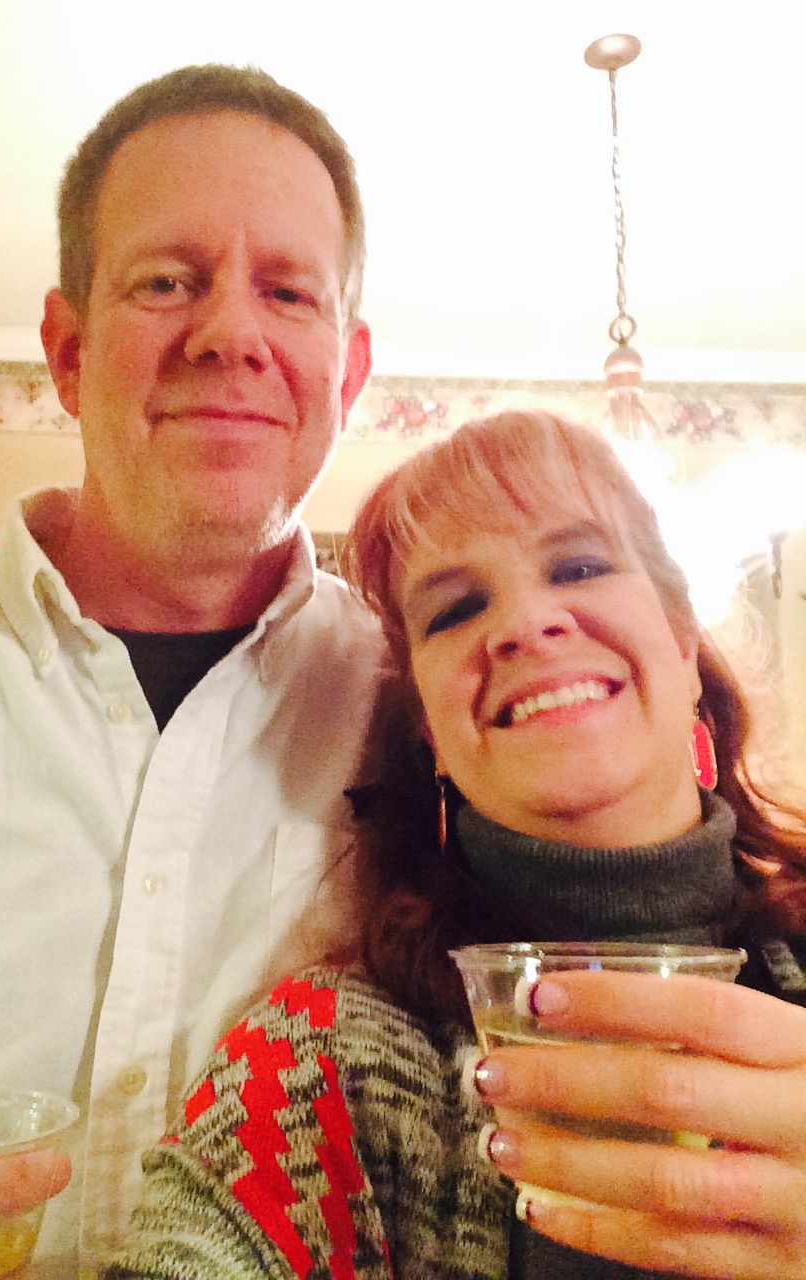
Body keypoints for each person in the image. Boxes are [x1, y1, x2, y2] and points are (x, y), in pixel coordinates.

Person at [0, 65, 385, 1274]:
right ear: (69, 350)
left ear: (346, 376)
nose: (230, 333)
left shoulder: (431, 715)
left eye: (287, 291)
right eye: (167, 281)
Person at [106, 408, 806, 1280]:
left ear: (684, 642)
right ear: (431, 735)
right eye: (456, 610)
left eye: (580, 567)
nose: (526, 623)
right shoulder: (323, 1061)